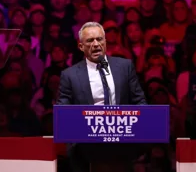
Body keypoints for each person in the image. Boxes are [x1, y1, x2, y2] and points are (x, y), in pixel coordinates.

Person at [57, 21, 147, 172]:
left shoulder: (125, 67)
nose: (96, 44)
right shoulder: (70, 75)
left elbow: (139, 101)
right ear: (81, 47)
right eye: (90, 41)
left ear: (105, 42)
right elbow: (63, 110)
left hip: (122, 141)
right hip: (86, 146)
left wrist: (141, 128)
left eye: (99, 39)